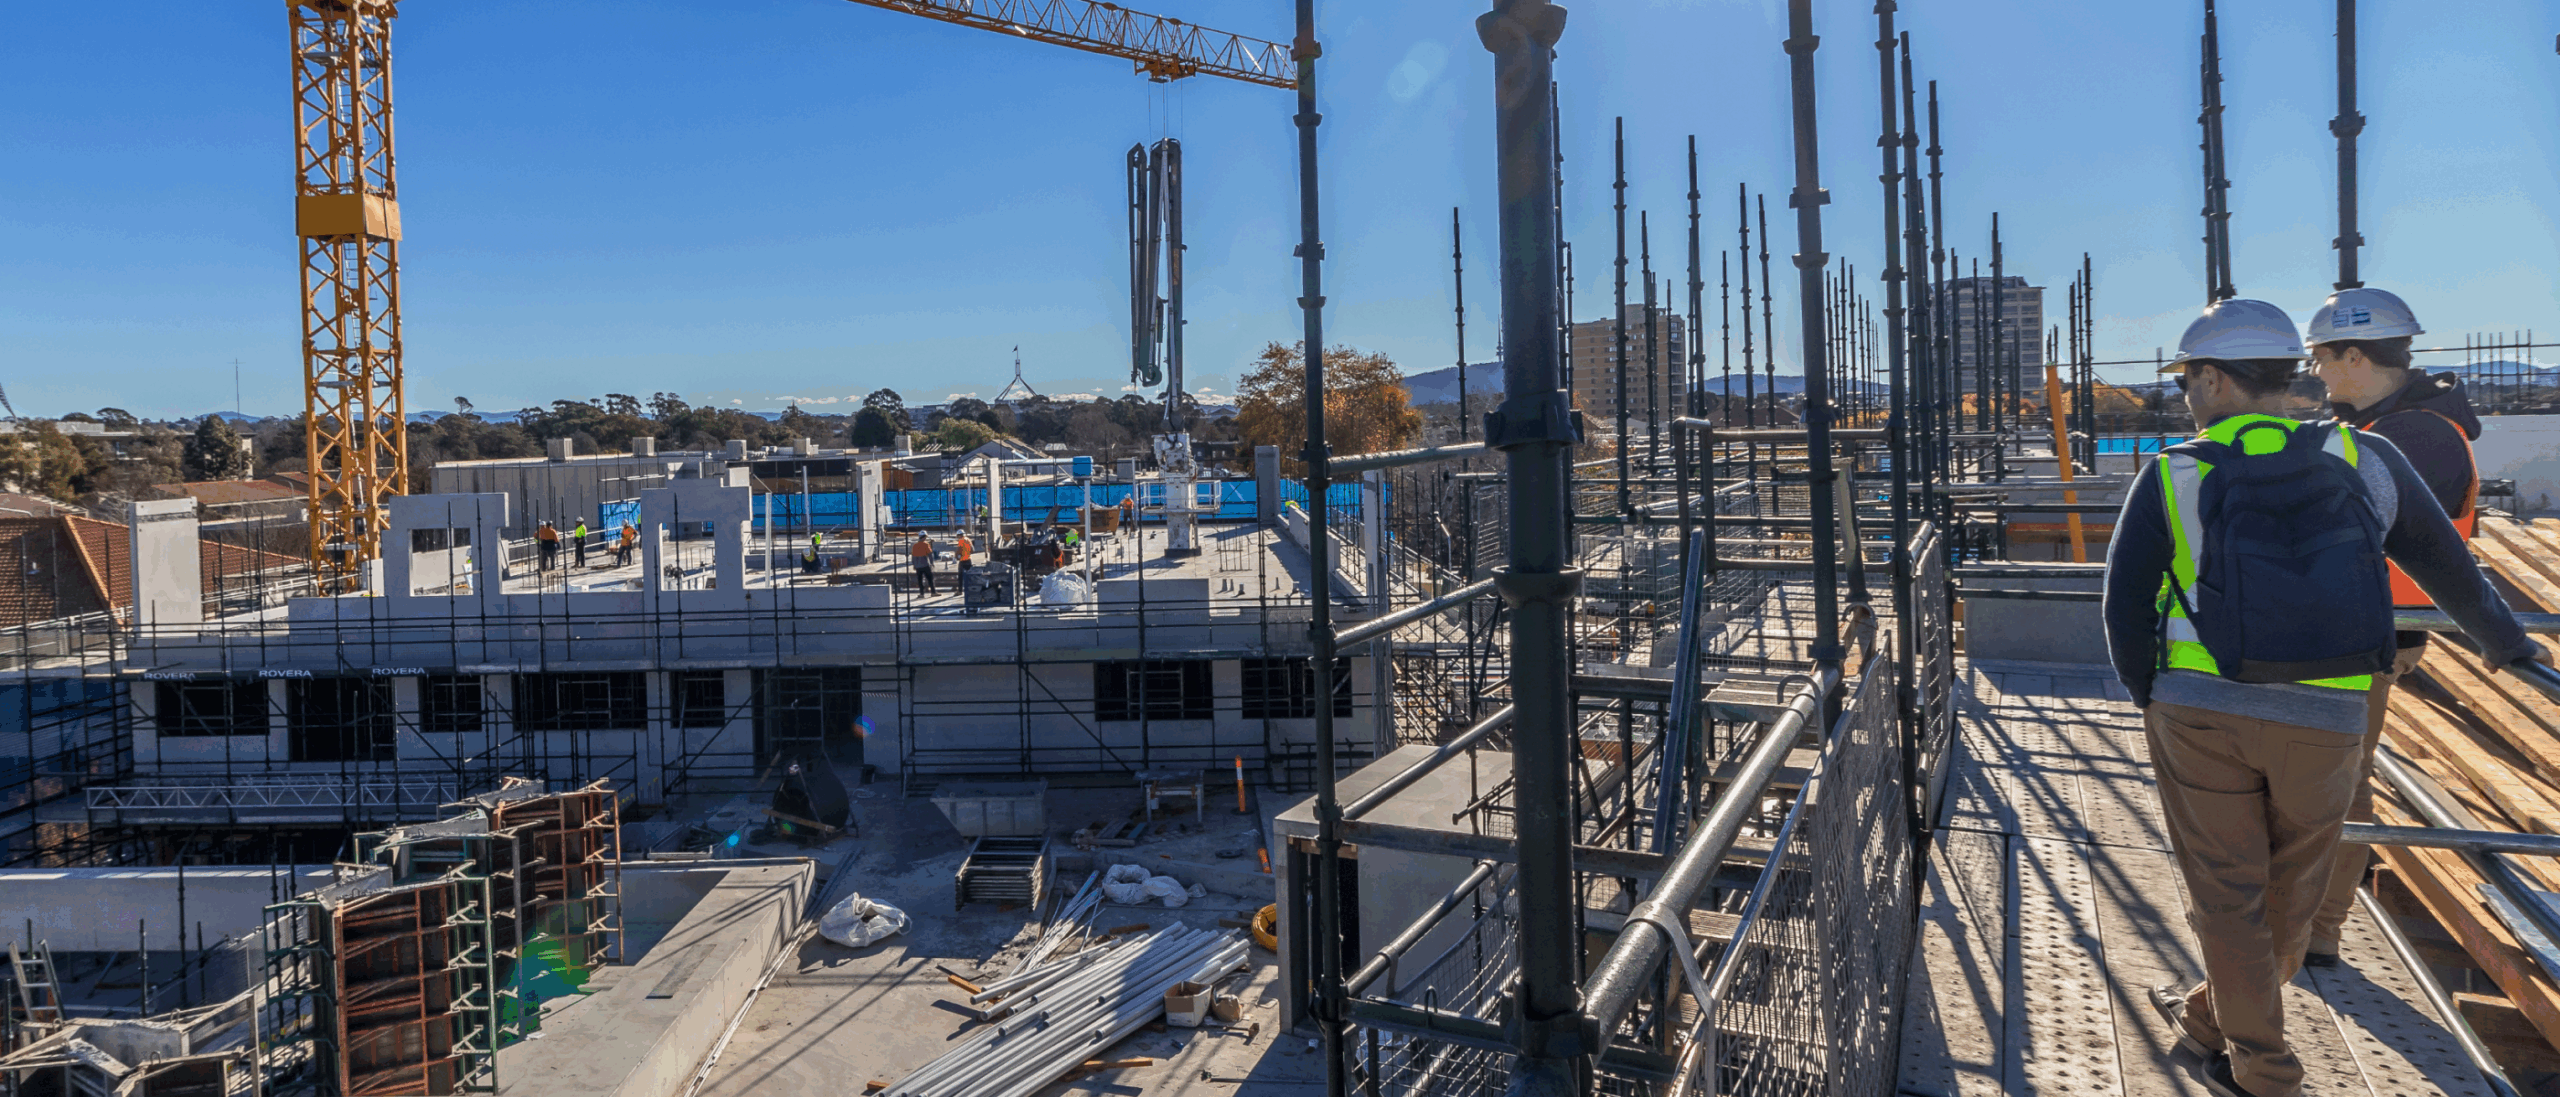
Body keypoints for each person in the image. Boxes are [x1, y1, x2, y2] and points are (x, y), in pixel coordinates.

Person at [2106, 298, 2539, 1097]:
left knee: (2227, 898)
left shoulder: (2172, 471)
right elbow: (2451, 567)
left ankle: (2264, 1071)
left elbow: (2123, 605)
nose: (2186, 396)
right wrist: (2510, 646)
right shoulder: (2365, 458)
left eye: (2188, 381)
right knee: (2290, 895)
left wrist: (2150, 695)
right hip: (2332, 711)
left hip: (2200, 711)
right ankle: (2213, 1022)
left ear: (2211, 379)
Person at [2302, 287, 2482, 968]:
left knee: (2343, 780)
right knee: (2329, 773)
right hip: (2359, 627)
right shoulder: (2394, 427)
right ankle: (2306, 919)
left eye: (2322, 358)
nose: (2316, 372)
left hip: (2369, 632)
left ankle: (2319, 926)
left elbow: (2382, 539)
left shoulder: (2417, 436)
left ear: (2354, 354)